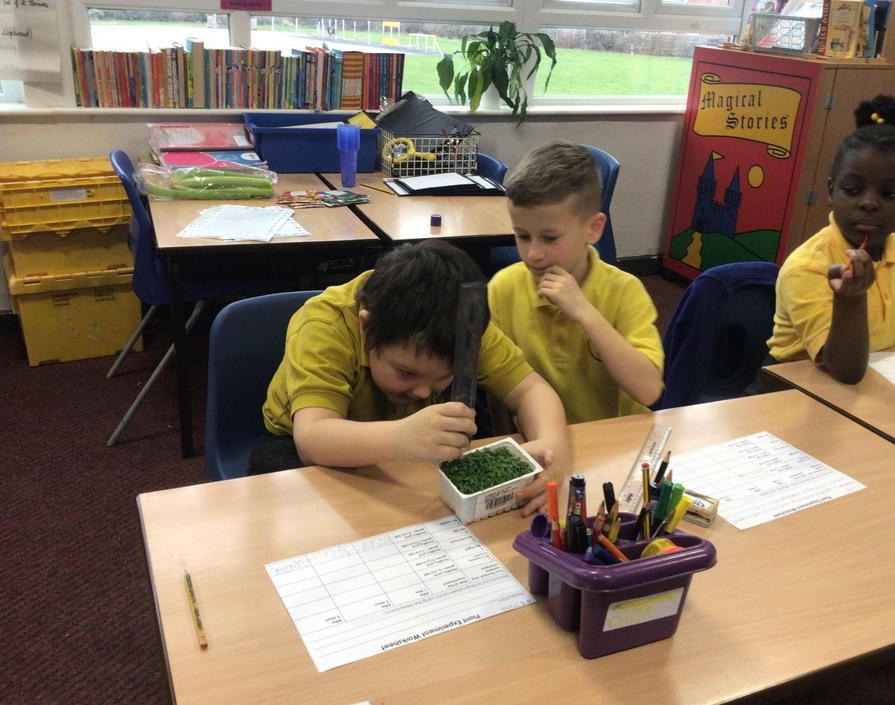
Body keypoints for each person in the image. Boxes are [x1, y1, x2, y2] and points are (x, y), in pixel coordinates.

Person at [252, 240, 569, 515]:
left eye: (445, 376)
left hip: (412, 439)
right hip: (302, 443)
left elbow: (530, 389)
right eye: (406, 372)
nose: (422, 392)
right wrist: (399, 438)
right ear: (367, 328)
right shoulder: (325, 326)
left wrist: (551, 448)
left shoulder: (463, 323)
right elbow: (312, 438)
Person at [767, 95, 895, 384]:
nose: (869, 203)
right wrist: (851, 298)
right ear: (831, 192)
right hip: (792, 386)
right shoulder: (808, 265)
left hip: (867, 379)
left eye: (890, 194)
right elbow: (843, 370)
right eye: (852, 190)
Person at [488, 140, 664, 424]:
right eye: (522, 236)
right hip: (539, 438)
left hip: (614, 436)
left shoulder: (624, 290)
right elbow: (497, 388)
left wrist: (585, 312)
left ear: (593, 229)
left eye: (550, 238)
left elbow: (648, 390)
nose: (533, 254)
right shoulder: (503, 288)